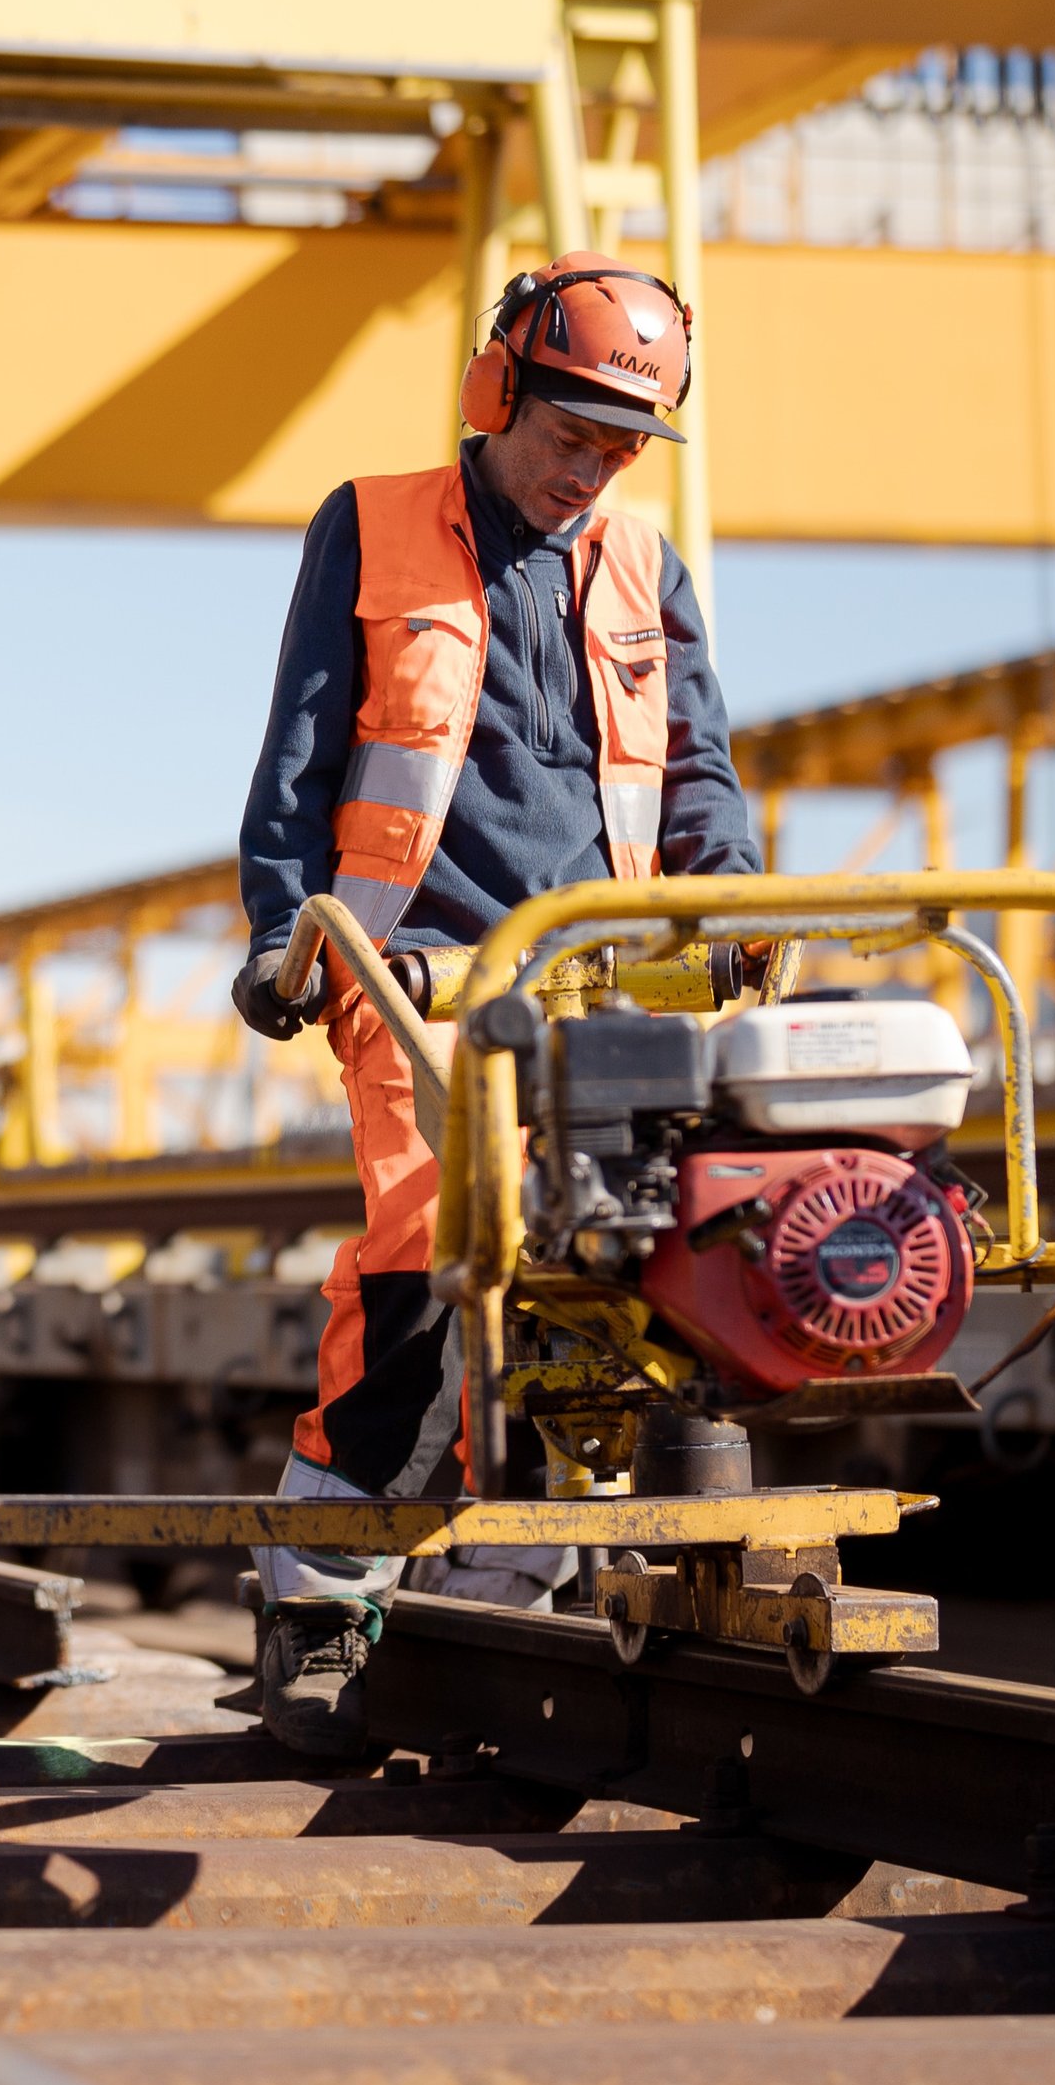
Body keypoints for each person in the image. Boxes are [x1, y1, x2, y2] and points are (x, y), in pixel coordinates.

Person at [228, 249, 762, 1756]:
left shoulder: (647, 569)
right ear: (498, 390)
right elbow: (300, 762)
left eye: (622, 445)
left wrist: (730, 900)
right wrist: (291, 935)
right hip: (418, 981)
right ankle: (321, 1601)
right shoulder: (373, 526)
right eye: (572, 432)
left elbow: (703, 770)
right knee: (429, 1254)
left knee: (636, 1268)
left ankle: (522, 1597)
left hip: (616, 984)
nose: (592, 469)